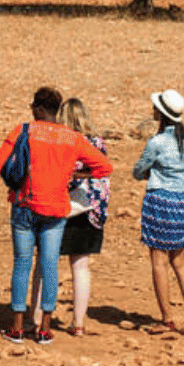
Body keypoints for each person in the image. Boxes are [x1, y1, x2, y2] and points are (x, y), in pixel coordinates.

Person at [0, 84, 112, 345]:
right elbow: (104, 166)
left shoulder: (24, 130)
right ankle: (45, 328)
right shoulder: (72, 138)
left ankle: (18, 327)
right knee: (50, 264)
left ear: (39, 108)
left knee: (23, 263)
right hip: (56, 209)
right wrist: (77, 174)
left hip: (25, 204)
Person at [133, 89, 184, 336]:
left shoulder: (157, 142)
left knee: (158, 262)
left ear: (161, 113)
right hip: (182, 203)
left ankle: (167, 319)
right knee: (180, 263)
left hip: (159, 202)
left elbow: (138, 170)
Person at [58, 97, 110, 337]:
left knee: (47, 263)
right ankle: (78, 323)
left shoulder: (62, 141)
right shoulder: (98, 142)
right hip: (91, 210)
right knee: (81, 266)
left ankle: (37, 318)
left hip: (62, 206)